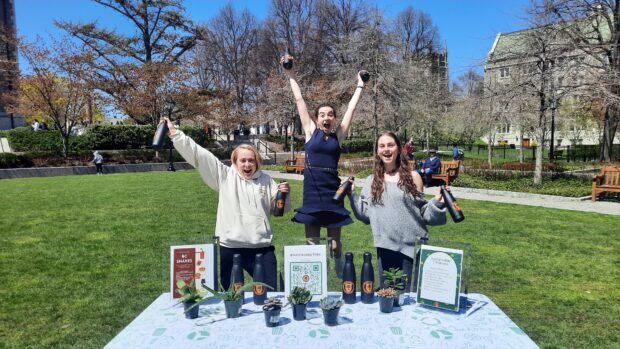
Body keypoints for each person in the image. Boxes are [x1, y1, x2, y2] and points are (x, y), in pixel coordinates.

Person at [160, 117, 290, 291]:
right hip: (230, 248)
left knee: (272, 292)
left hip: (261, 248)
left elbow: (279, 210)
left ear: (257, 161)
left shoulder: (266, 180)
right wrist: (175, 133)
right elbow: (199, 155)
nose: (247, 164)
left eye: (251, 160)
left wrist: (285, 194)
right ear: (235, 162)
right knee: (230, 298)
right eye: (242, 160)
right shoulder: (224, 176)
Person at [284, 60, 365, 277]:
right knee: (312, 245)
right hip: (312, 194)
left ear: (334, 118)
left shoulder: (338, 137)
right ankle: (315, 278)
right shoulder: (311, 132)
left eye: (330, 114)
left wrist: (360, 85)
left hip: (332, 194)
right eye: (322, 114)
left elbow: (351, 109)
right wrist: (290, 73)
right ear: (317, 118)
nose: (326, 117)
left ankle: (338, 268)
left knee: (335, 244)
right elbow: (299, 99)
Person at [348, 132, 447, 291]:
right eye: (382, 146)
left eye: (390, 145)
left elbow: (423, 214)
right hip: (385, 247)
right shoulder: (371, 180)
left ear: (398, 149)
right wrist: (352, 195)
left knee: (408, 298)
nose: (386, 149)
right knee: (388, 298)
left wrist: (437, 203)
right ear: (377, 151)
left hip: (411, 249)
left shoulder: (413, 177)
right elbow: (366, 216)